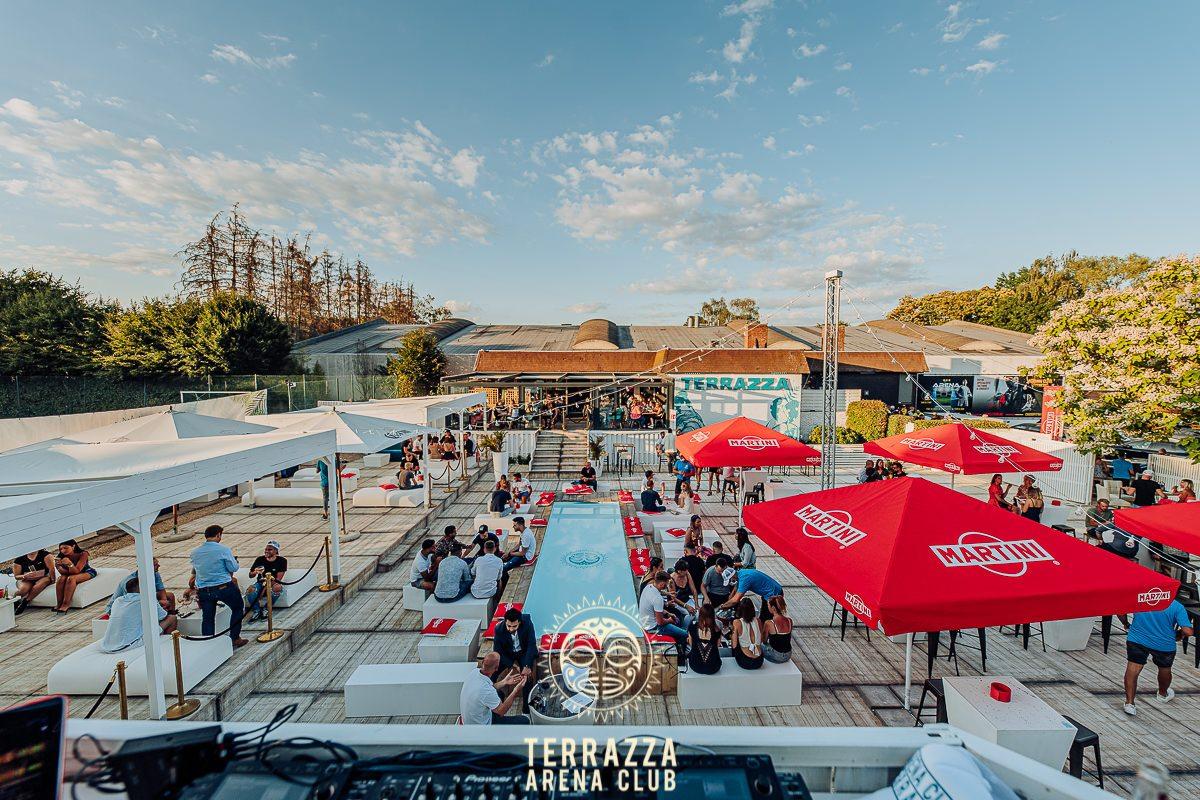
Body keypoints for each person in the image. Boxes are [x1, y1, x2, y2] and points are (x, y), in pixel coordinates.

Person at [1122, 592, 1193, 716]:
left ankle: (1129, 703)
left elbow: (1120, 612)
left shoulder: (1140, 598)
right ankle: (1162, 694)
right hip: (1164, 644)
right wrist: (1180, 634)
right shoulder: (1176, 606)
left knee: (1132, 670)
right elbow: (1188, 631)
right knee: (1164, 669)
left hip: (1137, 639)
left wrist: (1126, 624)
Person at [183, 525, 247, 647]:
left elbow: (197, 570)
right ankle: (234, 637)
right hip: (223, 587)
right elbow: (233, 568)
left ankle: (208, 643)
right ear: (218, 535)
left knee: (207, 618)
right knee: (238, 607)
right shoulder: (223, 549)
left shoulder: (195, 553)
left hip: (204, 590)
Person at [100, 576, 177, 654]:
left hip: (107, 645)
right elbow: (163, 616)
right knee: (172, 618)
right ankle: (166, 644)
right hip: (128, 645)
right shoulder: (146, 599)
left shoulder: (118, 600)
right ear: (142, 588)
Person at [460, 652, 529, 725]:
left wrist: (504, 682)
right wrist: (515, 690)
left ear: (483, 662)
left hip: (470, 720)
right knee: (525, 720)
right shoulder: (486, 691)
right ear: (496, 668)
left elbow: (490, 688)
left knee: (499, 693)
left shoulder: (474, 672)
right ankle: (498, 729)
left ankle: (498, 716)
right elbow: (502, 711)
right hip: (481, 728)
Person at [640, 572, 687, 663]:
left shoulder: (648, 587)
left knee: (676, 621)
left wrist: (668, 613)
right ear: (662, 583)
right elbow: (660, 622)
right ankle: (681, 657)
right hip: (654, 627)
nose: (667, 586)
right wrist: (669, 620)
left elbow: (654, 608)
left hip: (645, 622)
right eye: (666, 583)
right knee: (684, 634)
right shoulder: (658, 599)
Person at [105, 558, 174, 617]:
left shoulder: (155, 573)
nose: (159, 566)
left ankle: (170, 615)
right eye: (155, 565)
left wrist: (164, 601)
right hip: (121, 606)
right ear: (147, 567)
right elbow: (135, 601)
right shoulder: (130, 582)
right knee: (158, 606)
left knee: (170, 596)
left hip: (140, 599)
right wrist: (159, 603)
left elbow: (161, 589)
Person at [493, 608, 538, 687]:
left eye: (514, 626)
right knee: (492, 672)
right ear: (505, 622)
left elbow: (531, 644)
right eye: (509, 626)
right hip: (508, 654)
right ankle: (495, 694)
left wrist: (527, 665)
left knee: (527, 676)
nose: (511, 629)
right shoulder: (499, 629)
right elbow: (498, 651)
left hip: (523, 652)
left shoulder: (527, 623)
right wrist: (513, 664)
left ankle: (527, 698)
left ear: (519, 622)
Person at [245, 541, 287, 621]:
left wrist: (263, 590)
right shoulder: (260, 559)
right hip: (260, 582)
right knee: (250, 590)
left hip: (273, 583)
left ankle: (266, 609)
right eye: (266, 549)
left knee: (278, 587)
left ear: (276, 551)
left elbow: (278, 579)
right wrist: (254, 572)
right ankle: (256, 610)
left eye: (270, 549)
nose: (267, 551)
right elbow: (250, 575)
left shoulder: (282, 561)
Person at [52, 540, 95, 613]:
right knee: (61, 579)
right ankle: (59, 603)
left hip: (86, 572)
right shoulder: (60, 557)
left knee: (71, 579)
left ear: (73, 546)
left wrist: (69, 564)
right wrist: (59, 566)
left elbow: (77, 571)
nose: (63, 551)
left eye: (65, 548)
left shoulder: (83, 554)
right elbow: (62, 573)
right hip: (69, 573)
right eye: (61, 549)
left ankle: (66, 604)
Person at [687, 603, 724, 675]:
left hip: (695, 666)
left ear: (700, 615)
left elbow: (691, 644)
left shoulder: (692, 626)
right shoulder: (717, 630)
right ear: (713, 616)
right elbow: (717, 646)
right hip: (713, 667)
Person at [731, 598, 764, 670]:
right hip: (759, 660)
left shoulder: (737, 622)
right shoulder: (758, 621)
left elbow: (734, 645)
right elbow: (761, 640)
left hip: (745, 661)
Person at [761, 595, 793, 664]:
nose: (767, 607)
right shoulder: (790, 621)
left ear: (773, 608)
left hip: (776, 656)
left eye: (768, 606)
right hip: (788, 654)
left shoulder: (769, 623)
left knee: (759, 645)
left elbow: (764, 640)